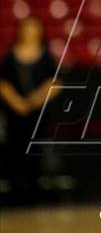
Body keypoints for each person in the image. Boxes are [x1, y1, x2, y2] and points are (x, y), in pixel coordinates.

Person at [0, 15, 60, 204]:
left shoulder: (46, 56)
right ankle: (16, 190)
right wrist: (17, 102)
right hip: (14, 114)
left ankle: (35, 189)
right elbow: (4, 83)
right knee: (15, 149)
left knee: (36, 150)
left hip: (38, 113)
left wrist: (35, 100)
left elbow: (55, 82)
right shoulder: (10, 56)